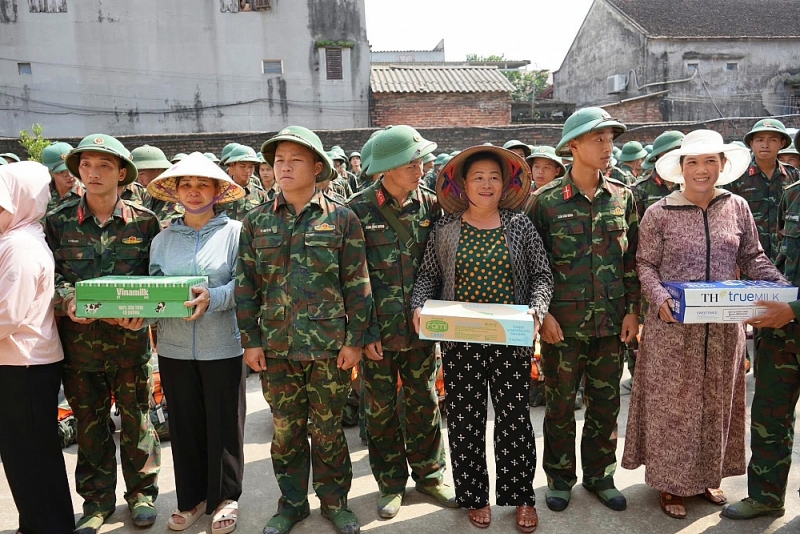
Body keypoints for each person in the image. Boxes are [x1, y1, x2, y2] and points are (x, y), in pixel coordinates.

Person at [621, 130, 784, 519]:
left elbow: (753, 256)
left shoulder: (737, 207)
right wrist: (659, 298)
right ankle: (671, 484)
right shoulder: (659, 212)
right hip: (673, 329)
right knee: (673, 408)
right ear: (680, 169)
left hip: (724, 330)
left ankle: (709, 476)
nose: (701, 169)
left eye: (710, 160)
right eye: (692, 162)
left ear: (723, 166)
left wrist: (780, 289)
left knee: (717, 403)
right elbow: (644, 264)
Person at [236, 126, 373, 534]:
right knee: (286, 431)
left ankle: (336, 503)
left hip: (329, 348)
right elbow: (246, 286)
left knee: (328, 430)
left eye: (295, 160)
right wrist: (250, 341)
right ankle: (292, 504)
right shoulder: (256, 220)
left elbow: (358, 284)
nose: (285, 167)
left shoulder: (342, 218)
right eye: (279, 161)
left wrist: (354, 342)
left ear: (317, 167)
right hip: (277, 348)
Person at [411, 145, 553, 532]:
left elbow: (542, 275)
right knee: (464, 419)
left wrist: (537, 310)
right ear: (463, 184)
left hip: (512, 340)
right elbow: (428, 275)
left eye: (494, 177)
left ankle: (522, 496)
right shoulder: (446, 228)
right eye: (478, 177)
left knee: (515, 419)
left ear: (504, 183)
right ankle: (474, 495)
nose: (486, 184)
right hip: (461, 341)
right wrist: (419, 305)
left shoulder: (520, 225)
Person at [44, 134, 161, 534]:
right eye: (86, 165)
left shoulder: (144, 221)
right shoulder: (57, 221)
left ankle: (143, 494)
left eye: (104, 166)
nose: (93, 173)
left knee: (137, 421)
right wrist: (67, 300)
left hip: (130, 345)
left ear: (123, 173)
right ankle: (96, 502)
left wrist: (144, 316)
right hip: (79, 349)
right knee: (90, 425)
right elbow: (49, 277)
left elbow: (156, 280)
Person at [527, 107, 640, 513]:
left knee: (606, 404)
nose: (608, 147)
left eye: (611, 140)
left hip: (611, 324)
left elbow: (632, 262)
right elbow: (530, 266)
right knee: (559, 406)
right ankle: (559, 479)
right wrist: (544, 316)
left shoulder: (623, 197)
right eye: (599, 139)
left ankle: (600, 476)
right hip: (563, 326)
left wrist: (633, 312)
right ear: (573, 146)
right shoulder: (545, 202)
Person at [128, 153, 247, 533]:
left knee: (225, 425)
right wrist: (139, 316)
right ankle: (192, 499)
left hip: (223, 346)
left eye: (202, 185)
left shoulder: (236, 234)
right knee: (185, 425)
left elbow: (245, 286)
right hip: (175, 349)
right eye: (185, 185)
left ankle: (226, 498)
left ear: (217, 191)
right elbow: (154, 292)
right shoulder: (162, 239)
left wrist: (214, 298)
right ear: (175, 192)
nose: (194, 193)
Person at [347, 125, 455, 520]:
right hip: (378, 332)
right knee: (379, 410)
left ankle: (430, 476)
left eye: (421, 160)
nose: (421, 167)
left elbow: (446, 265)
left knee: (424, 403)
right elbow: (352, 278)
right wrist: (364, 332)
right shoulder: (357, 210)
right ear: (388, 167)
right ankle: (390, 483)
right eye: (412, 162)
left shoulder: (433, 204)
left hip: (423, 330)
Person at [721, 127, 800, 521]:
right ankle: (766, 495)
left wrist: (796, 308)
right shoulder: (794, 195)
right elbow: (776, 260)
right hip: (779, 327)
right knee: (770, 414)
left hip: (790, 315)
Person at [0, 161, 75, 534]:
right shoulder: (20, 237)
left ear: (21, 202)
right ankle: (41, 522)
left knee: (29, 454)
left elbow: (9, 314)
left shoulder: (19, 247)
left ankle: (47, 525)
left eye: (1, 205)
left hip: (23, 365)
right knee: (27, 453)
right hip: (22, 363)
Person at [726, 118, 800, 263]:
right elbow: (727, 221)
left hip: (786, 258)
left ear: (782, 143)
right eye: (759, 140)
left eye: (772, 140)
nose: (765, 145)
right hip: (748, 259)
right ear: (751, 143)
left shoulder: (793, 175)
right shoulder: (737, 175)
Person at [218, 144, 270, 220]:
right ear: (232, 165)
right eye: (242, 166)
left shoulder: (260, 194)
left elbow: (267, 219)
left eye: (251, 167)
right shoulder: (219, 191)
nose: (247, 171)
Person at [42, 141, 84, 212]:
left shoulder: (88, 193)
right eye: (61, 172)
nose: (69, 175)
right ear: (51, 172)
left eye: (72, 168)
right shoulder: (43, 195)